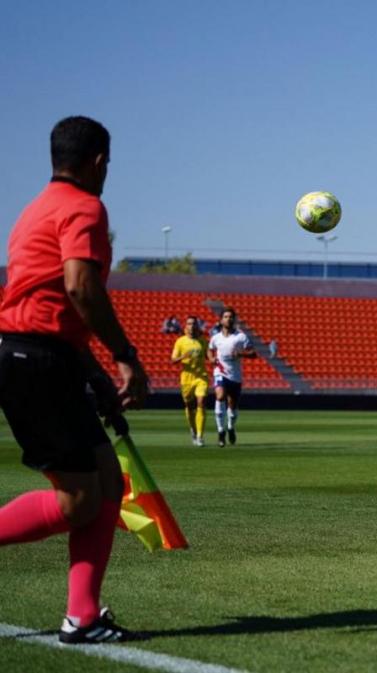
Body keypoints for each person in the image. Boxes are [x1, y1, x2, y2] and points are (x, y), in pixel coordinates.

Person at [0, 116, 149, 643]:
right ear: (100, 160)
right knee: (78, 501)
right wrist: (125, 356)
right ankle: (81, 617)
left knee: (107, 481)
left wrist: (96, 377)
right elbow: (80, 288)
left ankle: (82, 616)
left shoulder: (35, 209)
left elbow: (53, 303)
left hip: (44, 357)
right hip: (34, 361)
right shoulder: (86, 207)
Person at [208, 308, 256, 447]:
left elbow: (253, 353)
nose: (228, 319)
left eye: (231, 317)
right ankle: (220, 431)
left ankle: (230, 427)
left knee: (233, 406)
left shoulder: (241, 337)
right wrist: (211, 358)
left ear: (234, 320)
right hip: (220, 372)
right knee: (220, 396)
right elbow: (210, 350)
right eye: (225, 316)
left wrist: (241, 354)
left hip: (235, 376)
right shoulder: (215, 338)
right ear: (221, 320)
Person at [170, 316, 209, 445]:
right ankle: (192, 429)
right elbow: (172, 360)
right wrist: (183, 356)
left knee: (201, 402)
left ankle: (200, 436)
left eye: (194, 324)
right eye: (189, 324)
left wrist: (215, 360)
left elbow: (209, 356)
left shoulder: (203, 341)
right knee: (189, 406)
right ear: (186, 326)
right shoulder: (180, 341)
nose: (191, 326)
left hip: (201, 377)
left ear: (197, 326)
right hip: (186, 378)